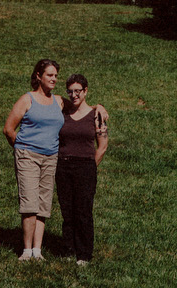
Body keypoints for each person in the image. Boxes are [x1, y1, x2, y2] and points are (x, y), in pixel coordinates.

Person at [3, 59, 64, 262]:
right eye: (50, 75)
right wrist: (22, 150)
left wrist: (98, 107)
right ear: (38, 76)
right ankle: (26, 250)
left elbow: (82, 105)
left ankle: (38, 251)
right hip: (28, 156)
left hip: (50, 157)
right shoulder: (27, 99)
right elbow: (9, 129)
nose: (54, 79)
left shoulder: (59, 101)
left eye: (56, 75)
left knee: (43, 204)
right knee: (29, 202)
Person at [56, 73, 108, 265]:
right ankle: (68, 249)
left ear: (86, 91)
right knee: (67, 210)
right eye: (70, 91)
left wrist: (89, 167)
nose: (74, 95)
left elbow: (102, 146)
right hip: (63, 166)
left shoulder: (96, 115)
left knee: (83, 210)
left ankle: (84, 253)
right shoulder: (63, 112)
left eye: (78, 91)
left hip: (85, 166)